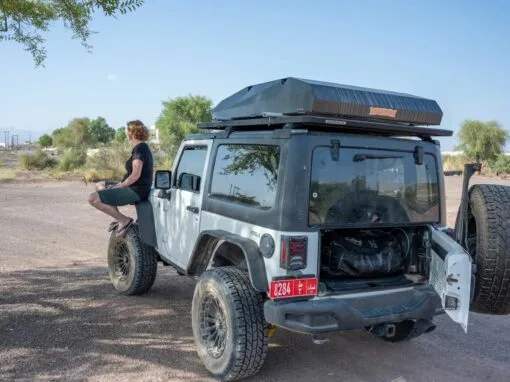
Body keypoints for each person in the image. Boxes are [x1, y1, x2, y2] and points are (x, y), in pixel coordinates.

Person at [88, 120, 154, 237]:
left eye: (126, 130)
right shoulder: (140, 148)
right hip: (133, 186)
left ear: (132, 133)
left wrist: (120, 185)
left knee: (92, 199)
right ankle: (119, 218)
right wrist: (119, 184)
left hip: (136, 190)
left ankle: (124, 220)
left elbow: (135, 175)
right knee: (100, 185)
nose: (125, 132)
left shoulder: (140, 149)